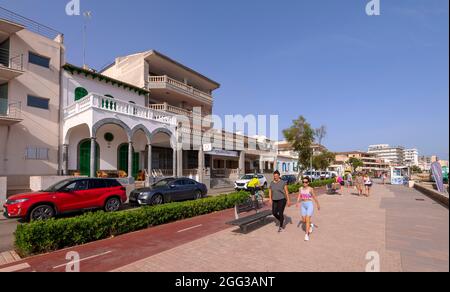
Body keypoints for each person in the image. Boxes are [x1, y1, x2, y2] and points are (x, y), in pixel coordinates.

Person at [296, 177, 321, 241]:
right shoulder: (300, 188)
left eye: (306, 182)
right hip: (303, 205)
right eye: (303, 182)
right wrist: (297, 202)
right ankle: (311, 224)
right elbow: (299, 195)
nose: (304, 183)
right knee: (304, 220)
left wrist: (318, 204)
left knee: (307, 219)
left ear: (308, 183)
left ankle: (306, 235)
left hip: (309, 204)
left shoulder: (310, 189)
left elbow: (314, 196)